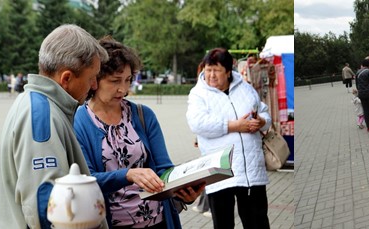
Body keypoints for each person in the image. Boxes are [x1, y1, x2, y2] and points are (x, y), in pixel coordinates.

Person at [72, 38, 202, 229]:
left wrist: (183, 188)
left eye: (128, 80)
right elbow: (87, 180)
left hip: (159, 221)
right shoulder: (79, 121)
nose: (123, 89)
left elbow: (164, 169)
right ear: (94, 80)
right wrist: (128, 175)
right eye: (115, 81)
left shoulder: (143, 115)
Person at [0, 24, 108, 229]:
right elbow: (46, 205)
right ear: (66, 78)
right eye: (92, 77)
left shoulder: (34, 103)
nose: (94, 85)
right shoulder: (42, 115)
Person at [188, 48, 271, 229]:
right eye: (208, 69)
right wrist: (235, 126)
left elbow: (264, 112)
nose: (211, 75)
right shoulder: (198, 94)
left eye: (216, 70)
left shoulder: (246, 89)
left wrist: (261, 121)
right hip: (219, 170)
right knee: (223, 224)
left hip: (250, 169)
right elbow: (197, 123)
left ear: (228, 71)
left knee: (257, 222)